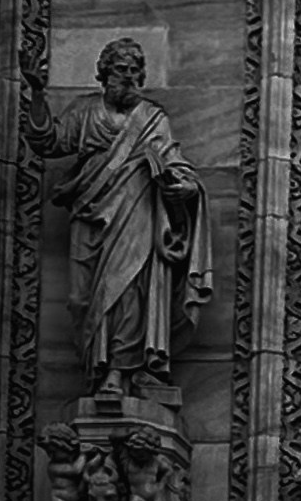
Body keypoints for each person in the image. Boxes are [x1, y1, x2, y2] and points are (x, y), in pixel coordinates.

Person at [26, 39, 211, 395]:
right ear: (104, 73)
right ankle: (95, 365)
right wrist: (36, 91)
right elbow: (46, 142)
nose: (128, 78)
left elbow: (173, 162)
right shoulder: (85, 113)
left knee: (128, 293)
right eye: (120, 71)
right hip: (91, 216)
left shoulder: (152, 119)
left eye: (134, 72)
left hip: (135, 215)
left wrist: (187, 189)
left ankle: (116, 373)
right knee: (82, 299)